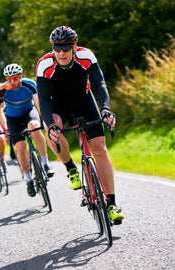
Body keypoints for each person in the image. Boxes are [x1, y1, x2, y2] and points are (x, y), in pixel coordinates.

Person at [36, 25, 124, 223]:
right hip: (58, 104)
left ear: (74, 46)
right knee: (54, 131)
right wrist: (50, 126)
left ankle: (111, 204)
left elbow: (99, 84)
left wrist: (106, 109)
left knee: (99, 147)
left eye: (66, 48)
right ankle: (70, 168)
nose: (61, 53)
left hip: (84, 101)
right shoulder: (44, 64)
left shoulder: (86, 56)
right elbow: (43, 100)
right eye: (56, 49)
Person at [0, 63, 54, 197]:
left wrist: (44, 119)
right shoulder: (4, 89)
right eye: (9, 79)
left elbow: (38, 103)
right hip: (12, 118)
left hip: (28, 112)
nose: (12, 82)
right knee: (20, 146)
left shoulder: (29, 84)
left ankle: (45, 163)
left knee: (34, 126)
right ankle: (29, 179)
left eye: (14, 78)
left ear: (20, 76)